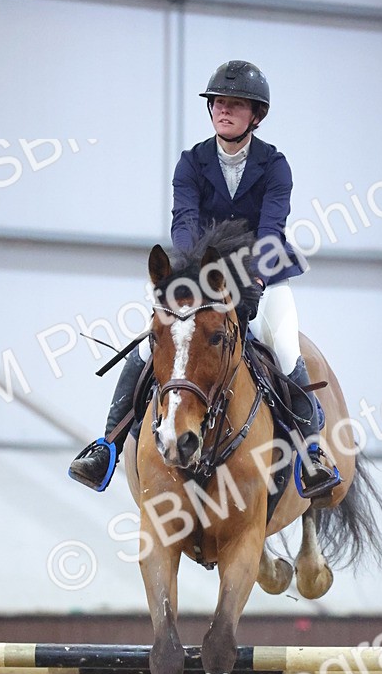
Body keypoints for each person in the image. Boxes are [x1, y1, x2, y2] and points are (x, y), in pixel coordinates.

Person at [69, 59, 337, 496]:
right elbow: (184, 223)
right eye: (218, 103)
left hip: (259, 275)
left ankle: (312, 453)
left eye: (235, 105)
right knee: (149, 348)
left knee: (286, 351)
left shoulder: (274, 166)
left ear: (256, 115)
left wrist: (252, 282)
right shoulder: (191, 163)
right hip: (200, 275)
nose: (224, 111)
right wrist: (191, 272)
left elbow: (271, 231)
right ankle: (106, 446)